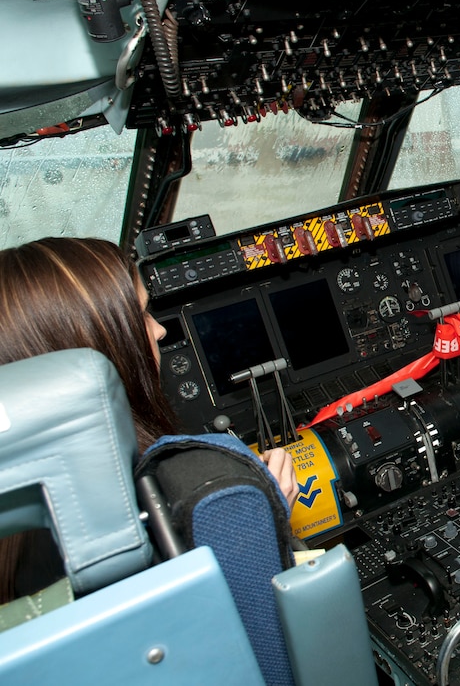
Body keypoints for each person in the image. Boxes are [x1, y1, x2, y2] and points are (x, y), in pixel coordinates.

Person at [0, 237, 299, 603]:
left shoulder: (18, 525)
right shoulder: (183, 486)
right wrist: (258, 512)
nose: (159, 329)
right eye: (141, 314)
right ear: (99, 340)